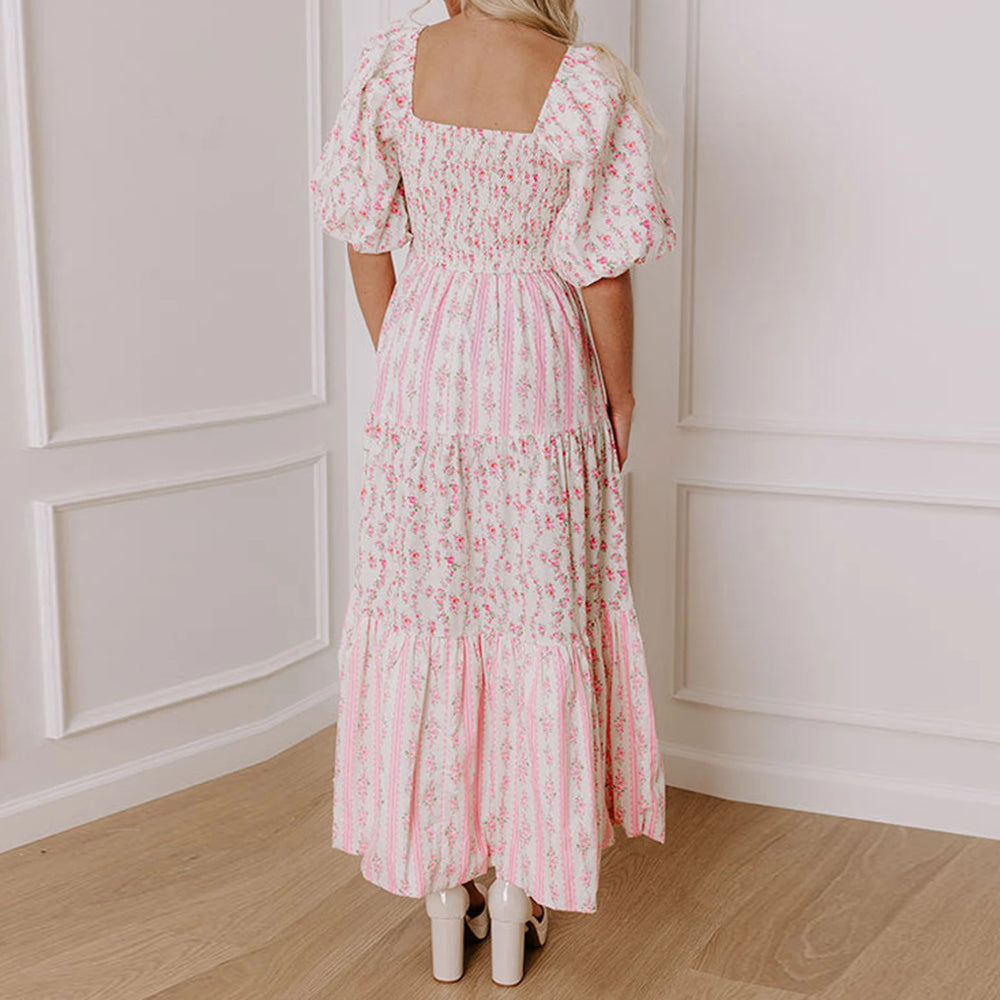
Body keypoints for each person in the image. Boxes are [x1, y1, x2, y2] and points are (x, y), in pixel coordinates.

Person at [309, 0, 676, 985]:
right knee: (533, 610)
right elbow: (600, 275)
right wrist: (621, 393)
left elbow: (364, 232)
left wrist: (406, 352)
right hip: (539, 361)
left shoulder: (392, 65)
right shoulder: (583, 81)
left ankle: (444, 890)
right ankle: (518, 891)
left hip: (425, 352)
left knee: (431, 605)